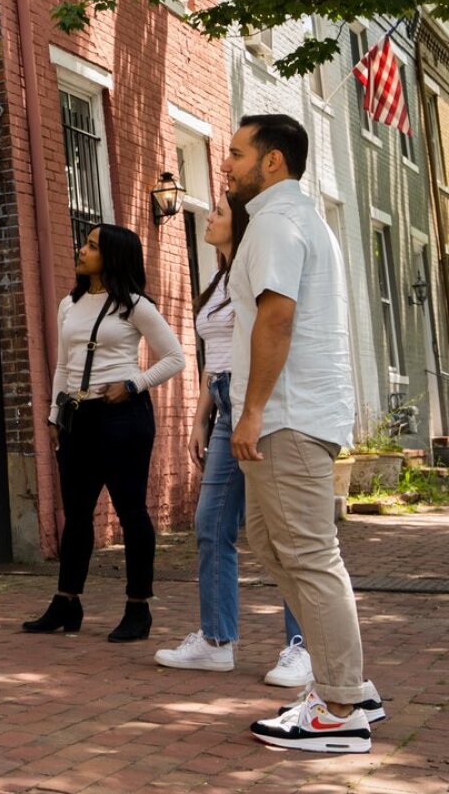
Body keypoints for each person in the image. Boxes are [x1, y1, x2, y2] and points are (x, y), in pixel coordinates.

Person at [224, 114, 383, 752]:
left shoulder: (276, 223)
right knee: (271, 544)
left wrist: (253, 409)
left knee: (312, 557)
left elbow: (277, 318)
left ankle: (342, 708)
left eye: (236, 153)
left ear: (272, 162)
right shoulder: (297, 218)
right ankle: (347, 686)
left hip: (285, 416)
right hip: (294, 413)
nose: (227, 163)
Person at [154, 195, 311, 685]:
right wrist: (202, 416)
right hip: (224, 404)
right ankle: (217, 640)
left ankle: (303, 646)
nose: (210, 217)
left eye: (219, 212)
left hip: (255, 405)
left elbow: (267, 338)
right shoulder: (220, 279)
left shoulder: (250, 272)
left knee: (284, 533)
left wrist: (253, 410)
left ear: (238, 223)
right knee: (210, 524)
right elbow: (214, 356)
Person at [23, 224, 184, 642]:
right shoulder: (69, 304)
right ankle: (66, 601)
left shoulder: (133, 306)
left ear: (112, 256)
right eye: (85, 243)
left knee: (131, 512)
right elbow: (63, 364)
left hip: (123, 416)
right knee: (76, 514)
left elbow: (175, 357)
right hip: (79, 415)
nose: (82, 249)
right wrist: (54, 415)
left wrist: (133, 384)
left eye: (93, 246)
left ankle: (138, 608)